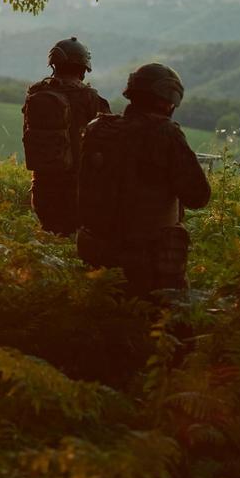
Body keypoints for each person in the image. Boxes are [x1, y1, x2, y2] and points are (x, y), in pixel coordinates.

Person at [76, 63, 210, 298]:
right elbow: (198, 196)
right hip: (149, 256)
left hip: (98, 248)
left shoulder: (98, 129)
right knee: (170, 321)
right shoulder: (165, 133)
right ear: (167, 100)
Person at [22, 37, 111, 235]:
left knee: (50, 238)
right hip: (78, 189)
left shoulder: (36, 94)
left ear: (54, 64)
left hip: (42, 186)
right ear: (83, 67)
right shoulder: (91, 98)